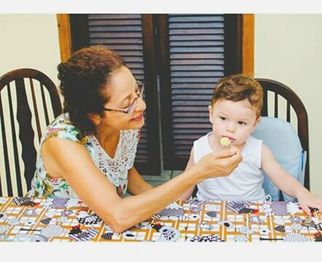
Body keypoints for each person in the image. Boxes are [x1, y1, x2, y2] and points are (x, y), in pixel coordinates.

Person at [26, 45, 242, 233]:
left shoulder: (125, 125)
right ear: (94, 115)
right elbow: (119, 217)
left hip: (102, 221)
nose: (141, 106)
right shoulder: (63, 142)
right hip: (55, 227)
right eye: (127, 103)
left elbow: (128, 176)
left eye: (137, 91)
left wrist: (178, 206)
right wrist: (196, 174)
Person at [179, 74, 322, 215]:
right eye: (223, 118)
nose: (230, 128)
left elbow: (282, 177)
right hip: (208, 213)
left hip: (252, 213)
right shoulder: (199, 148)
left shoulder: (258, 150)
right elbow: (185, 185)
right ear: (211, 114)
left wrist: (302, 193)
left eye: (241, 122)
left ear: (255, 124)